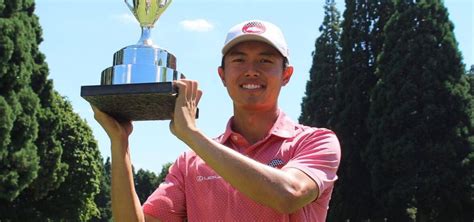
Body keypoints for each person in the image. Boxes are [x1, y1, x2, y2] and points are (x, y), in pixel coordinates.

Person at [92, 19, 341, 222]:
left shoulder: (316, 141)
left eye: (265, 60)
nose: (251, 70)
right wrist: (119, 143)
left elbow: (289, 195)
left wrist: (191, 134)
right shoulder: (191, 162)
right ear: (222, 75)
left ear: (286, 74)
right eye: (239, 60)